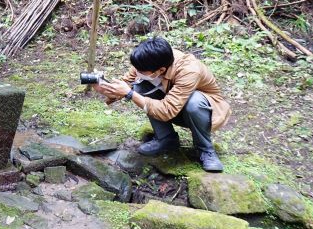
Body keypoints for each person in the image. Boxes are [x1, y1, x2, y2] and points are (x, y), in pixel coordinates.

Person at [93, 37, 230, 172]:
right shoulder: (146, 62)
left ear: (161, 70)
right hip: (173, 105)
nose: (137, 72)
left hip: (204, 111)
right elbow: (124, 87)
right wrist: (104, 88)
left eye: (140, 71)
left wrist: (130, 94)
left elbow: (167, 110)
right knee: (139, 88)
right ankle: (166, 139)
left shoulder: (189, 70)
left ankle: (206, 150)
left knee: (194, 102)